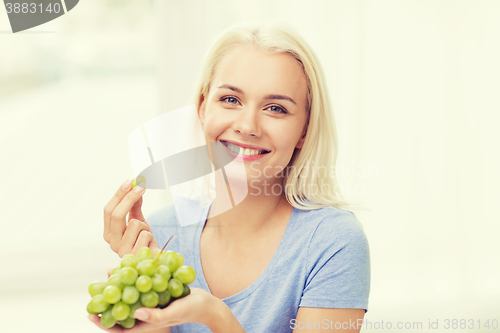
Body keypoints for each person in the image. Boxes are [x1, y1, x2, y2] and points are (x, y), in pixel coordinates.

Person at [89, 20, 370, 333]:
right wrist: (150, 299)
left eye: (275, 108)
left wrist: (214, 314)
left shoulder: (333, 242)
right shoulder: (161, 236)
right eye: (230, 100)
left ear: (304, 129)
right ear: (202, 108)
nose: (248, 125)